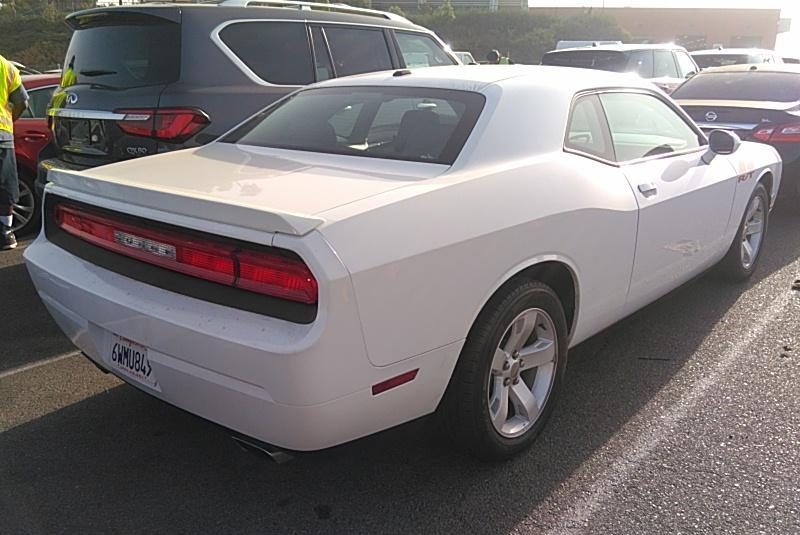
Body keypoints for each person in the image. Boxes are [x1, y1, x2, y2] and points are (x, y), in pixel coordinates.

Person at [0, 54, 29, 250]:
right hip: (2, 135)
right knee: (5, 184)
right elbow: (22, 102)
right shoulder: (6, 66)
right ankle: (6, 232)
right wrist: (10, 120)